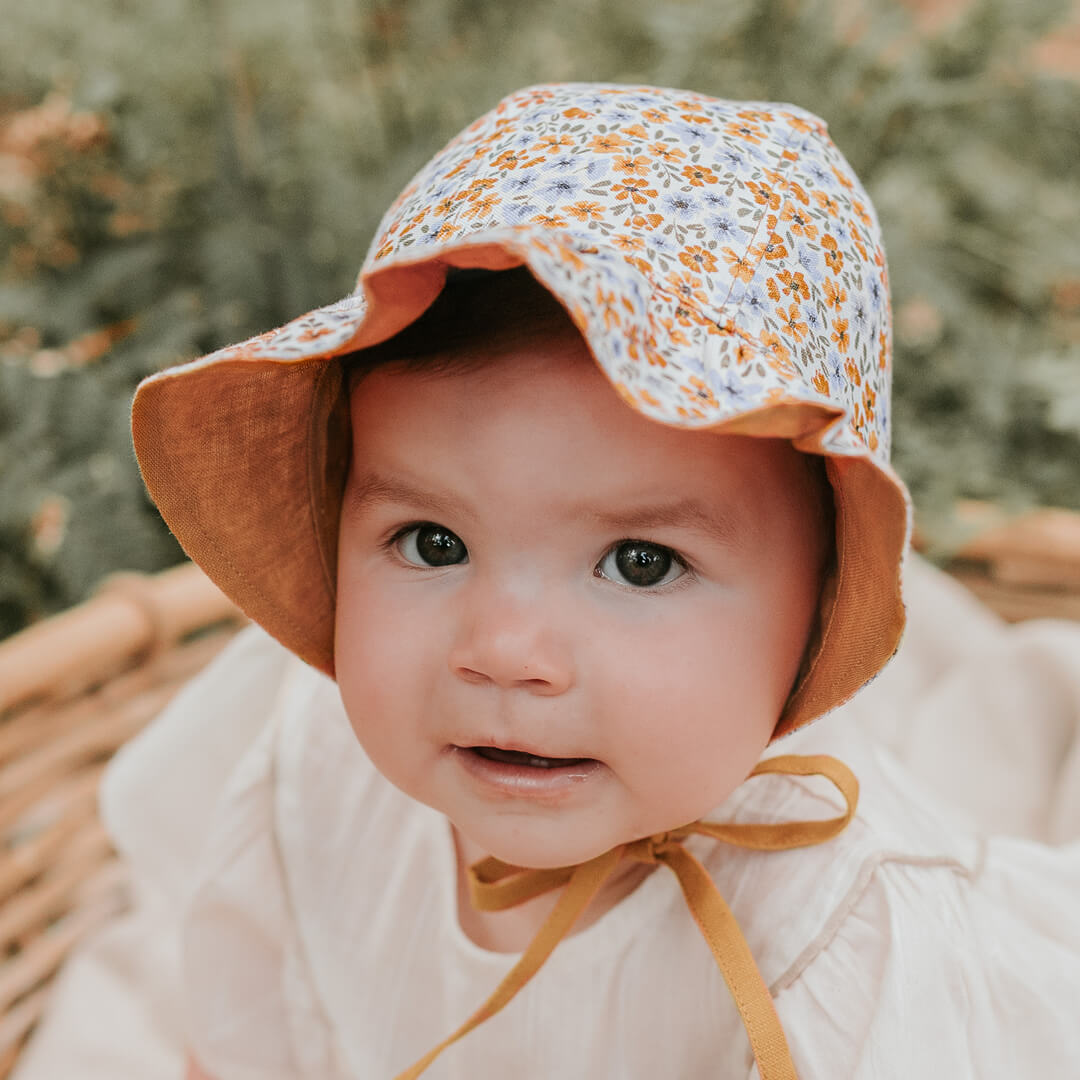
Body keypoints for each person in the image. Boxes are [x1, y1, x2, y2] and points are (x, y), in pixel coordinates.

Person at [26, 82, 1080, 1079]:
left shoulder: (847, 947)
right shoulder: (319, 784)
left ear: (821, 603)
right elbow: (243, 1046)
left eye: (641, 562)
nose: (504, 649)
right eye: (433, 543)